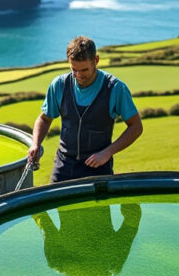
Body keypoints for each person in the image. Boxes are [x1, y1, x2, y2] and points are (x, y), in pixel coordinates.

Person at [27, 36, 143, 182]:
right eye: (74, 69)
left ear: (96, 60)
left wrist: (107, 152)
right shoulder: (59, 85)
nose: (79, 75)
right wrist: (36, 143)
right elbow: (44, 118)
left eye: (84, 70)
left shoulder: (115, 88)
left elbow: (136, 127)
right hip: (63, 166)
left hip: (99, 169)